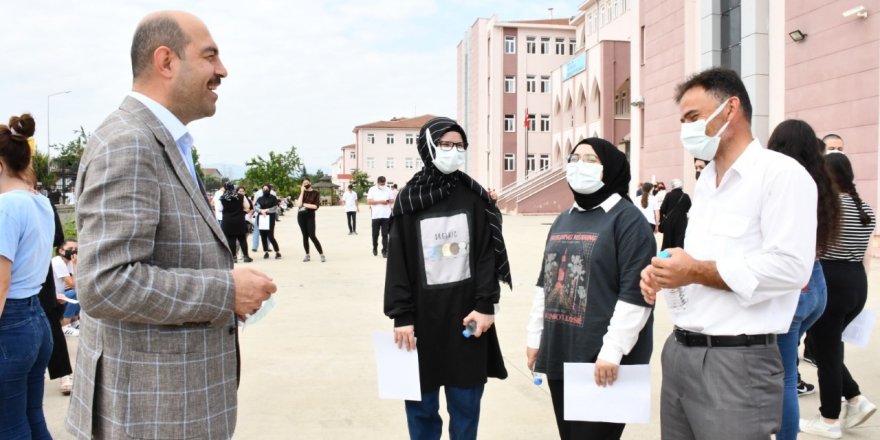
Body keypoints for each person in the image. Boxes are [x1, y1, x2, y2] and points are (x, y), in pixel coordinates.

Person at [67, 12, 277, 439]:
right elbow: (107, 283)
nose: (223, 70)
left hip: (170, 409)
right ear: (166, 62)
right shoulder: (129, 142)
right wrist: (227, 291)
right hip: (150, 416)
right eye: (210, 56)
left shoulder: (162, 141)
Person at [639, 67, 816, 439]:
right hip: (681, 352)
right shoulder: (705, 182)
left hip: (737, 362)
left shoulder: (780, 175)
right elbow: (703, 260)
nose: (686, 130)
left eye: (693, 118)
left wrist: (695, 271)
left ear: (731, 109)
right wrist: (666, 272)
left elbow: (790, 269)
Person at [384, 116, 511, 440]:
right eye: (445, 144)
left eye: (459, 146)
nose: (453, 151)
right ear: (429, 147)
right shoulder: (409, 200)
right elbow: (398, 263)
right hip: (421, 321)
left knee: (466, 404)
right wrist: (402, 316)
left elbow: (485, 256)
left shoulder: (473, 197)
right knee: (421, 407)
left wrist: (485, 306)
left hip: (467, 320)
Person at [526, 137, 655, 439]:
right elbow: (544, 282)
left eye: (590, 159)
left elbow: (635, 294)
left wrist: (612, 352)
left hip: (602, 361)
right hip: (562, 351)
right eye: (574, 158)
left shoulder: (627, 220)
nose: (579, 165)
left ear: (609, 169)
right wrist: (535, 337)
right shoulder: (563, 219)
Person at [766, 120, 840, 440]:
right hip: (816, 284)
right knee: (786, 371)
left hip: (795, 287)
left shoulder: (782, 183)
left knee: (783, 377)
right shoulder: (821, 184)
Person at [800, 151, 877, 438]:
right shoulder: (864, 208)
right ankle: (854, 399)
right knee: (824, 347)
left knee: (826, 350)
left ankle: (830, 418)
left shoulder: (829, 208)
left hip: (831, 281)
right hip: (856, 282)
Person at [0, 113, 55, 439]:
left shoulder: (5, 208)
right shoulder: (41, 203)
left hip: (11, 325)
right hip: (37, 321)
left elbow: (1, 281)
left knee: (9, 426)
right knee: (31, 416)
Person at [51, 239, 81, 334]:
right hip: (53, 296)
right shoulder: (58, 261)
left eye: (76, 248)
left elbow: (76, 283)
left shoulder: (69, 262)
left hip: (60, 293)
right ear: (61, 251)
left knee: (80, 292)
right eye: (70, 248)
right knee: (75, 293)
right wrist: (76, 264)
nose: (73, 251)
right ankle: (65, 326)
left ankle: (75, 322)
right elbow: (73, 284)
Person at [220, 182, 253, 263]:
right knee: (242, 239)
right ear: (233, 188)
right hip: (239, 220)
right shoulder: (241, 196)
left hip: (227, 221)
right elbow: (247, 207)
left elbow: (220, 209)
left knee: (231, 239)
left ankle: (233, 257)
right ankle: (246, 256)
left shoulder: (222, 197)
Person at [296, 178, 326, 262]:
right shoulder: (302, 193)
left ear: (310, 182)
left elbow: (315, 206)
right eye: (304, 183)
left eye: (307, 183)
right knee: (305, 236)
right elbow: (298, 204)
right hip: (301, 217)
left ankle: (321, 254)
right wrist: (302, 192)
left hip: (310, 217)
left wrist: (304, 204)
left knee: (312, 235)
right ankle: (307, 254)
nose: (306, 184)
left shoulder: (315, 193)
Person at [658, 178, 691, 250]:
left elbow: (662, 209)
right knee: (679, 241)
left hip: (669, 222)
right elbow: (689, 208)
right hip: (681, 222)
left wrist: (661, 220)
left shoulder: (669, 195)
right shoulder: (685, 196)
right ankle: (678, 258)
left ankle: (666, 258)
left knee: (667, 242)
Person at [367, 175, 393, 257]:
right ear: (377, 182)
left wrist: (387, 201)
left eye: (383, 183)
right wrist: (381, 201)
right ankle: (375, 247)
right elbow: (369, 201)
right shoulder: (372, 189)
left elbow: (392, 200)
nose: (382, 185)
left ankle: (385, 251)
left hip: (386, 215)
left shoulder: (388, 189)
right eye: (381, 183)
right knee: (375, 234)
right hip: (375, 216)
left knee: (385, 234)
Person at [257, 184, 282, 259]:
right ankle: (265, 252)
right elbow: (256, 207)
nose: (265, 190)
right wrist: (261, 210)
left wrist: (267, 210)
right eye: (264, 189)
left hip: (270, 218)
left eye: (267, 189)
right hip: (262, 218)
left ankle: (277, 251)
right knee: (263, 236)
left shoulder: (273, 198)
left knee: (270, 236)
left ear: (270, 189)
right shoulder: (259, 198)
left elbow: (275, 207)